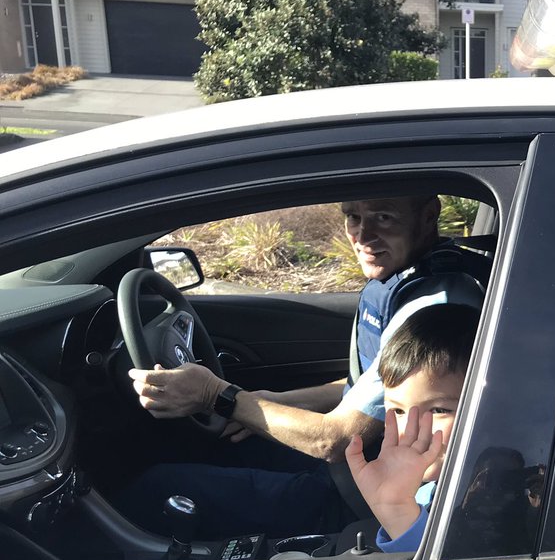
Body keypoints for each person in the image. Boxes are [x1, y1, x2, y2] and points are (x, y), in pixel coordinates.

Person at [121, 196, 488, 538]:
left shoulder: (433, 310)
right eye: (353, 217)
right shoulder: (405, 280)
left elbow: (337, 438)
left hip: (361, 491)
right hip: (362, 466)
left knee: (157, 488)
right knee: (210, 447)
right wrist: (271, 400)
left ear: (428, 216)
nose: (364, 235)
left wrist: (217, 395)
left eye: (384, 218)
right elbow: (364, 390)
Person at [345, 304, 479, 552]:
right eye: (397, 411)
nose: (411, 430)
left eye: (438, 410)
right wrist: (394, 505)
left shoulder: (488, 503)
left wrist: (398, 512)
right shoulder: (425, 490)